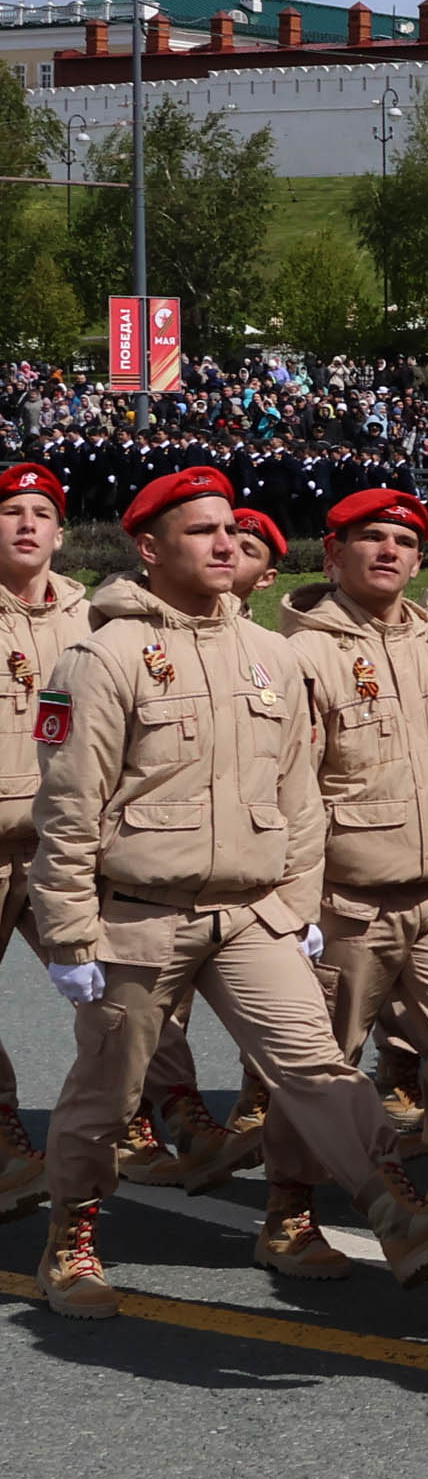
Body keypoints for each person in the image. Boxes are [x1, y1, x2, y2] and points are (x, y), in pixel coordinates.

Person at [27, 469, 428, 1315]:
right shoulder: (100, 657)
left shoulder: (270, 654)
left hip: (254, 913)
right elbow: (69, 809)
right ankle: (71, 1237)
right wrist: (72, 933)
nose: (225, 544)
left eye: (231, 530)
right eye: (200, 532)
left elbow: (301, 795)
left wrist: (293, 906)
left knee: (314, 1065)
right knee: (105, 1096)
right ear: (149, 548)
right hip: (141, 916)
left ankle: (392, 1208)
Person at [278, 485, 428, 1279]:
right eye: (370, 537)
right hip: (347, 898)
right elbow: (292, 787)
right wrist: (299, 903)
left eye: (405, 541)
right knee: (326, 1062)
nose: (389, 551)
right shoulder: (301, 654)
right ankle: (289, 1209)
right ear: (332, 552)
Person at [0, 458, 94, 1223]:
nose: (27, 524)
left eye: (41, 513)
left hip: (66, 846)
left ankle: (130, 1120)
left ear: (61, 533)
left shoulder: (91, 619)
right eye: (11, 511)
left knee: (121, 993)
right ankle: (5, 1136)